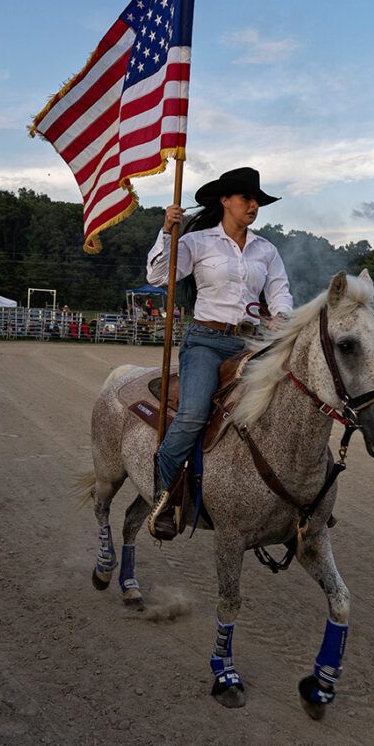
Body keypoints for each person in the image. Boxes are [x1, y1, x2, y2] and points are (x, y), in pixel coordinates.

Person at [144, 167, 292, 540]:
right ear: (225, 200)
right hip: (206, 342)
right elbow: (158, 277)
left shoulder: (266, 250)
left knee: (289, 407)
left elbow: (280, 292)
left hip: (250, 345)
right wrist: (167, 231)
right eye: (247, 199)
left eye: (257, 200)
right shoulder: (196, 242)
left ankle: (294, 498)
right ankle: (166, 494)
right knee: (194, 413)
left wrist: (281, 317)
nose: (254, 206)